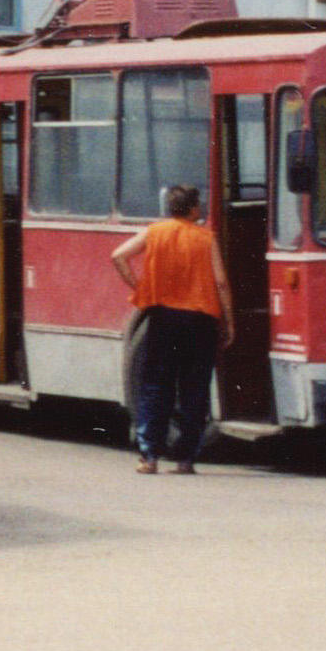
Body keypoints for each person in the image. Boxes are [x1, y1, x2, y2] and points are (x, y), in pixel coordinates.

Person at [111, 184, 225, 475]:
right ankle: (186, 460)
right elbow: (221, 283)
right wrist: (229, 320)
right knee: (194, 390)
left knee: (155, 386)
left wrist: (140, 288)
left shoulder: (154, 232)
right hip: (200, 322)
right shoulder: (206, 238)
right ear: (193, 209)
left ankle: (149, 457)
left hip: (162, 318)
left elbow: (119, 256)